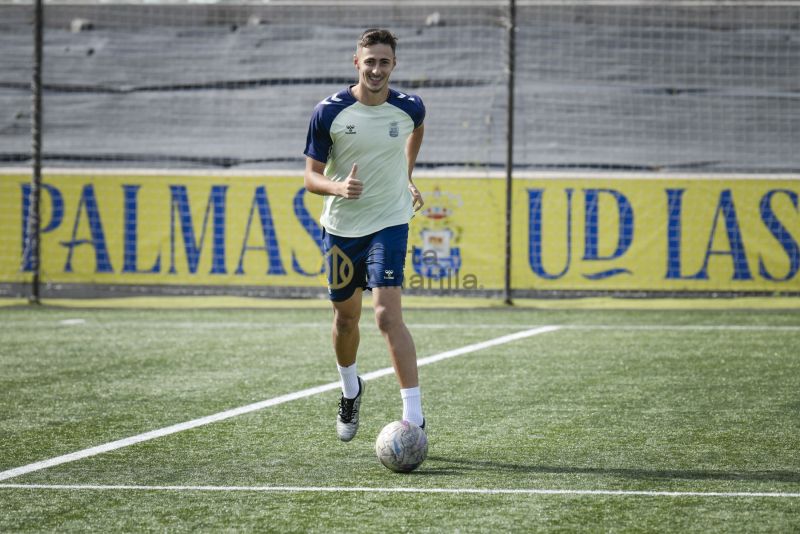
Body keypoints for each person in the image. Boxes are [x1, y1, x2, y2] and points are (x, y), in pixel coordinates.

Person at [303, 28, 426, 442]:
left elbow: (417, 128)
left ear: (394, 65)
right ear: (356, 62)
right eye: (369, 61)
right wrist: (338, 187)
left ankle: (414, 416)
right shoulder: (329, 112)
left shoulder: (409, 107)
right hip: (341, 228)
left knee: (387, 315)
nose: (376, 69)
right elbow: (310, 178)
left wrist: (406, 177)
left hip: (390, 222)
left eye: (384, 62)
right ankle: (350, 388)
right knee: (345, 318)